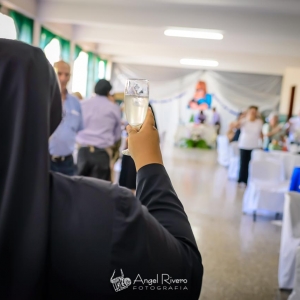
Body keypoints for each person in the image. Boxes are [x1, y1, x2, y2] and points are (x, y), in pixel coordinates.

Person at [0, 39, 203, 300]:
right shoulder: (105, 208)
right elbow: (182, 280)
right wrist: (150, 164)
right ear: (48, 108)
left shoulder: (80, 106)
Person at [76, 79, 121, 181]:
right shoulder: (113, 108)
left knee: (79, 187)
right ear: (108, 91)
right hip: (102, 154)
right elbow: (117, 135)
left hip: (83, 151)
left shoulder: (83, 104)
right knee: (99, 190)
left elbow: (76, 126)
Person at [49, 60, 83, 176]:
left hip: (67, 163)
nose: (63, 78)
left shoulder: (75, 102)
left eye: (67, 74)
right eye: (59, 73)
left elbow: (79, 128)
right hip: (46, 160)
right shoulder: (44, 99)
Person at [119, 103, 157, 193]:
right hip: (136, 148)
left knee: (131, 172)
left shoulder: (142, 108)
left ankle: (131, 196)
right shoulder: (143, 108)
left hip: (139, 149)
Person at [233, 106, 263, 186]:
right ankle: (241, 179)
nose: (253, 113)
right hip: (244, 144)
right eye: (251, 111)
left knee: (251, 164)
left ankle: (249, 181)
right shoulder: (244, 121)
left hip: (254, 145)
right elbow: (235, 126)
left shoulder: (259, 122)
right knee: (243, 162)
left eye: (254, 112)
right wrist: (242, 117)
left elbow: (261, 133)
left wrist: (261, 144)